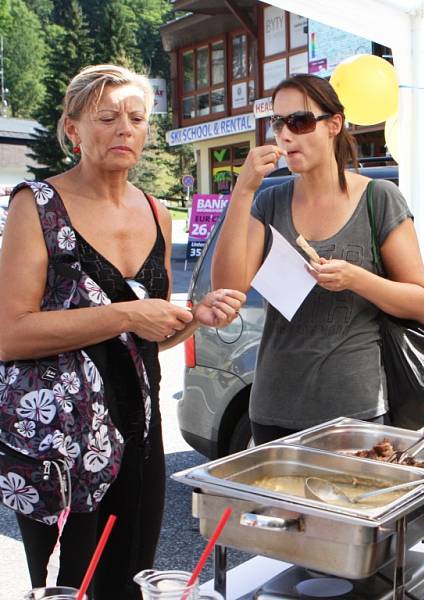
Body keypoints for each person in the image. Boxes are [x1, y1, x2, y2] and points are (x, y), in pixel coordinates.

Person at [0, 64, 245, 598]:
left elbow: (144, 342)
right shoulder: (36, 205)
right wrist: (127, 314)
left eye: (136, 118)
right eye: (106, 117)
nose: (124, 129)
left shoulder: (157, 212)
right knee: (68, 587)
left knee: (132, 575)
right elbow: (9, 333)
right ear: (73, 131)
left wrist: (193, 319)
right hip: (58, 444)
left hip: (140, 430)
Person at [211, 73, 424, 444]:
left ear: (333, 125)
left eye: (299, 121)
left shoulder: (378, 198)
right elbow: (228, 289)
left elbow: (420, 303)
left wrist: (356, 278)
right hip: (273, 408)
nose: (285, 134)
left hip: (354, 411)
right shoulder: (269, 201)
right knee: (278, 504)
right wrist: (243, 191)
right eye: (277, 123)